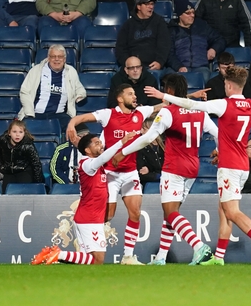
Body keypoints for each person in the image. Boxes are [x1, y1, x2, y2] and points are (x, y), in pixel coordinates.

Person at [144, 66, 251, 266]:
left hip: (229, 166)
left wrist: (164, 96)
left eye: (224, 84)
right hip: (243, 165)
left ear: (229, 85)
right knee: (224, 211)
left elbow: (189, 104)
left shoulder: (223, 105)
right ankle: (219, 258)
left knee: (231, 211)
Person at [114, 75, 218, 265]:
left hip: (174, 167)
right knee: (171, 212)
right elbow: (217, 133)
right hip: (193, 167)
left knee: (171, 212)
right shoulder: (199, 111)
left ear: (169, 91)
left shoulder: (169, 112)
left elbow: (147, 138)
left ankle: (198, 246)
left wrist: (123, 152)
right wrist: (219, 150)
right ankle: (161, 257)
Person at [66, 83, 158, 265]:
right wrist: (71, 123)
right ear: (120, 98)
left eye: (134, 93)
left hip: (130, 172)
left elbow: (163, 107)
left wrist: (188, 98)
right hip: (110, 173)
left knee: (136, 212)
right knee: (107, 216)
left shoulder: (141, 112)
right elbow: (83, 117)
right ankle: (87, 247)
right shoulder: (108, 114)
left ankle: (128, 256)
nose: (135, 97)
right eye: (130, 94)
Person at [31, 131, 135, 265]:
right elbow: (104, 158)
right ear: (87, 150)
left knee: (89, 261)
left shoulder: (97, 166)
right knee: (98, 260)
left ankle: (55, 255)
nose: (101, 145)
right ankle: (58, 254)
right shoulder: (87, 164)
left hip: (90, 217)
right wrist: (122, 141)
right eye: (96, 143)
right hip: (89, 218)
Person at [18, 44, 87, 129]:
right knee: (18, 131)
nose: (57, 59)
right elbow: (24, 92)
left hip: (59, 116)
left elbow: (79, 87)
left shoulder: (71, 72)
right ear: (48, 58)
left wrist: (79, 95)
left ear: (64, 59)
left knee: (82, 130)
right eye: (53, 56)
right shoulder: (36, 70)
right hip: (35, 114)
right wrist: (29, 113)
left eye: (60, 56)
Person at [168, 0, 227, 82]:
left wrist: (214, 49)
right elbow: (169, 53)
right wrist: (179, 67)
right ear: (180, 15)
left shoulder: (201, 26)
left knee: (205, 79)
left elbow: (220, 40)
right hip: (179, 67)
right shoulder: (171, 30)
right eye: (188, 13)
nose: (192, 15)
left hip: (201, 67)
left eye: (193, 12)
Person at [115, 0, 171, 69]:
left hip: (153, 66)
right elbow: (120, 49)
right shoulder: (128, 25)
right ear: (139, 6)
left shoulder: (159, 22)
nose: (151, 7)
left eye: (152, 4)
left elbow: (164, 45)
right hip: (132, 67)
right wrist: (128, 63)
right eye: (147, 4)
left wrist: (160, 62)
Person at [0, 120, 43, 193]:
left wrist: (38, 184)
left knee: (24, 192)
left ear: (24, 133)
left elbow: (36, 164)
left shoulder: (28, 145)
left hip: (24, 171)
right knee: (6, 192)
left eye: (20, 132)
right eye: (14, 132)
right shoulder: (3, 140)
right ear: (9, 133)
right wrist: (1, 166)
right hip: (8, 171)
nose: (17, 135)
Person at [134, 117, 164, 185]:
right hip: (152, 181)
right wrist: (159, 176)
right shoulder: (140, 148)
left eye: (144, 129)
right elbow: (141, 173)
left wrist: (149, 169)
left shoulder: (166, 145)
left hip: (169, 180)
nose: (141, 132)